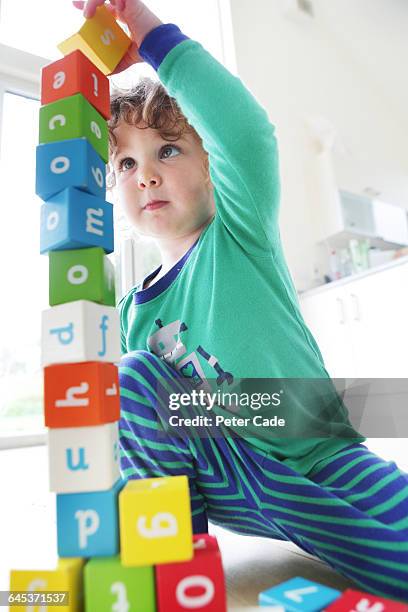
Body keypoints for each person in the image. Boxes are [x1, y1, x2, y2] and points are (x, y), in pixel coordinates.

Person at [74, 0, 408, 601]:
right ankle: (173, 567)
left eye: (168, 150)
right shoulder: (134, 313)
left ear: (211, 166)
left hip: (316, 456)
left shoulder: (238, 231)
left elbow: (244, 131)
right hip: (226, 476)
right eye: (126, 163)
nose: (145, 175)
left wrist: (148, 34)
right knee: (130, 378)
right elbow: (141, 440)